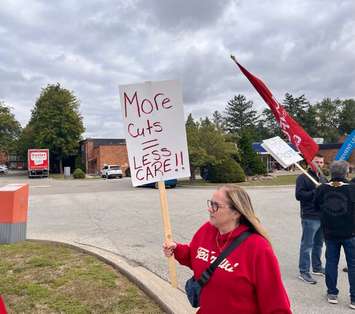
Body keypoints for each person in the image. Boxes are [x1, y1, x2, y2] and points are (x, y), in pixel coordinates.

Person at [163, 185, 291, 313]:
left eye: (215, 205)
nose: (209, 209)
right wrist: (177, 249)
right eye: (210, 203)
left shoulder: (258, 247)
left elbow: (276, 304)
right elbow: (195, 258)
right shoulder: (206, 230)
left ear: (236, 213)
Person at [314, 160, 355, 308]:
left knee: (331, 262)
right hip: (350, 232)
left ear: (332, 172)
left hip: (330, 231)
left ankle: (332, 293)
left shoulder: (322, 189)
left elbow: (316, 205)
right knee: (353, 264)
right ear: (346, 173)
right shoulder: (352, 189)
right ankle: (354, 298)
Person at [296, 154, 327, 284]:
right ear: (310, 163)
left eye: (321, 162)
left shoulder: (323, 178)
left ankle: (317, 267)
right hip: (310, 215)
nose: (319, 164)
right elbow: (299, 195)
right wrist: (315, 190)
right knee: (307, 245)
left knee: (319, 244)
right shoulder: (303, 178)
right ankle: (304, 271)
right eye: (316, 162)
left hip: (323, 216)